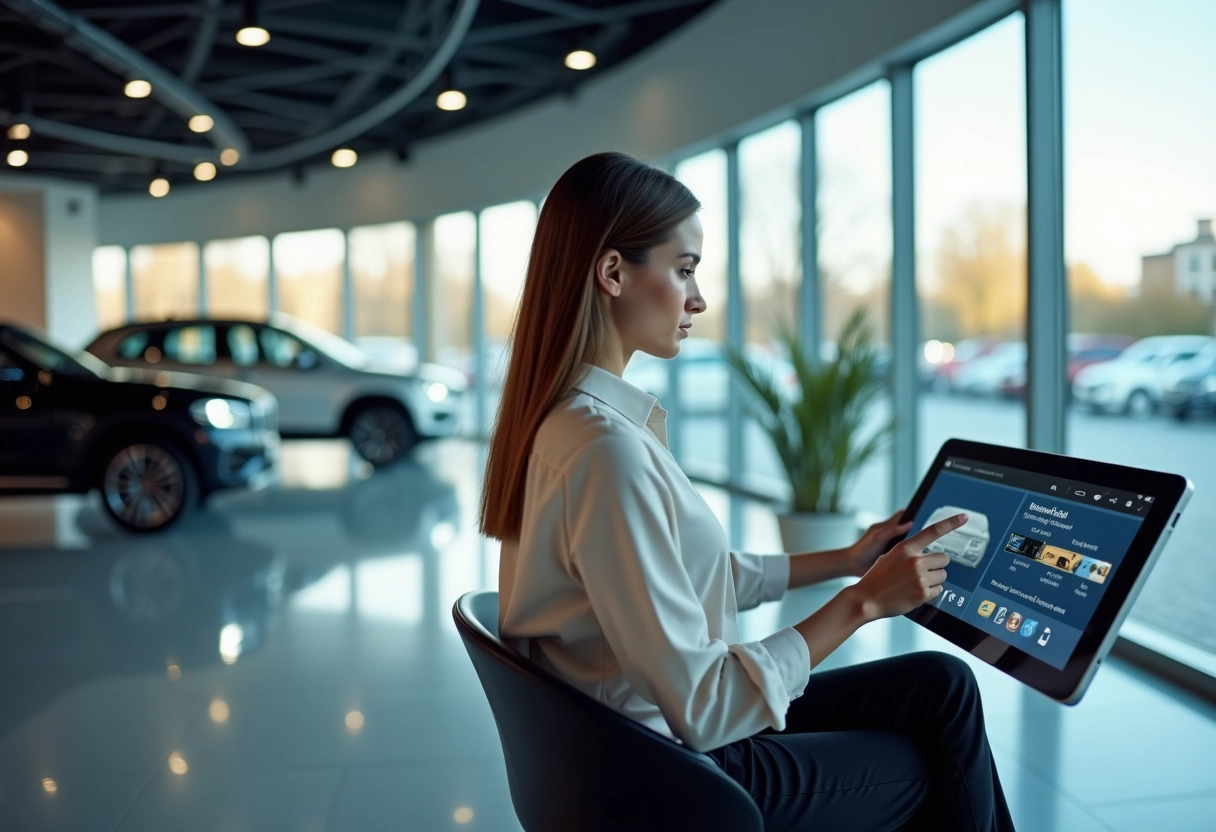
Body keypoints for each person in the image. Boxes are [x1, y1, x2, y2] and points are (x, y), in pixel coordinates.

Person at [480, 152, 1015, 831]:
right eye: (684, 270)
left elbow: (688, 579)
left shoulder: (570, 424)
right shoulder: (604, 452)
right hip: (676, 767)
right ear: (612, 273)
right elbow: (703, 708)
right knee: (935, 758)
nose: (698, 299)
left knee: (941, 685)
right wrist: (864, 603)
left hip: (635, 742)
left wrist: (849, 560)